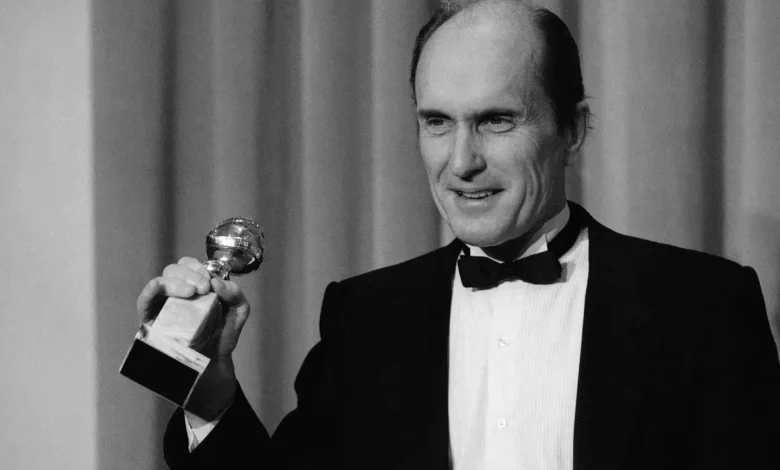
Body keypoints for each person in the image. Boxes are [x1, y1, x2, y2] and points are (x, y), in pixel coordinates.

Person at [136, 1, 780, 468]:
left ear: (573, 129)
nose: (462, 161)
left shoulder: (705, 306)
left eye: (496, 120)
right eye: (437, 122)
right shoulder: (366, 319)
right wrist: (209, 390)